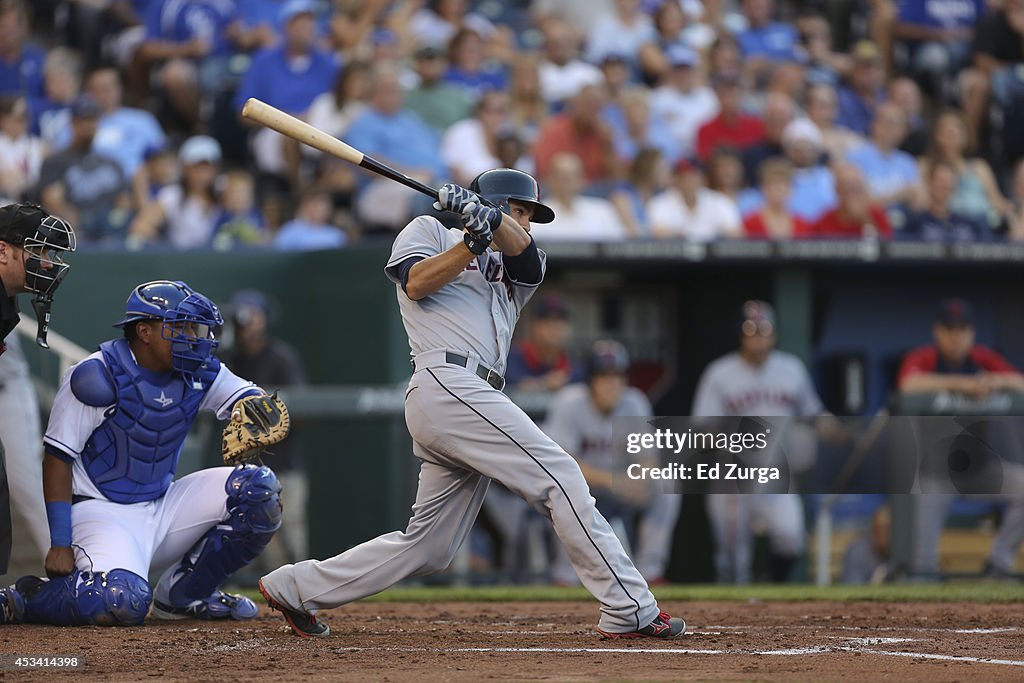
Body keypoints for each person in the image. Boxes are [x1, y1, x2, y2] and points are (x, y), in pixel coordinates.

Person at [258, 168, 685, 639]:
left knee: (429, 548)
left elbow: (524, 256)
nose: (525, 221)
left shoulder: (520, 263)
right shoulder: (428, 231)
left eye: (529, 214)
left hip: (475, 394)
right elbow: (416, 283)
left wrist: (492, 221)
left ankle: (294, 587)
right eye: (518, 210)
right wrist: (469, 243)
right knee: (560, 476)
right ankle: (629, 606)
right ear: (496, 201)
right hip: (444, 381)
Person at [0, 280, 284, 626]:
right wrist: (60, 543)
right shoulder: (96, 375)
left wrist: (255, 407)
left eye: (192, 327)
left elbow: (247, 397)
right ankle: (26, 598)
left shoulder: (199, 369)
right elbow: (58, 459)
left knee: (258, 491)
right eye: (179, 327)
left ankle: (183, 597)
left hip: (164, 503)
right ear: (145, 331)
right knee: (121, 600)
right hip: (102, 511)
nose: (192, 337)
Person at [692, 300, 827, 583]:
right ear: (741, 335)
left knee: (791, 537)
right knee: (732, 559)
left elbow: (814, 414)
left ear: (774, 333)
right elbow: (701, 430)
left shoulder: (791, 369)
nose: (758, 339)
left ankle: (772, 594)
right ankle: (733, 618)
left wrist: (846, 433)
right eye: (751, 331)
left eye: (764, 331)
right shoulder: (719, 373)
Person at [897, 298, 1024, 578]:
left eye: (962, 329)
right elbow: (908, 384)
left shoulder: (982, 358)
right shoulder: (925, 358)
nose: (956, 336)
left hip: (980, 471)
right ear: (937, 332)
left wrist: (995, 381)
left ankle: (998, 565)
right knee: (922, 567)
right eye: (949, 329)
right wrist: (964, 385)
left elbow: (1019, 382)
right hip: (935, 476)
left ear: (972, 333)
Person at [546, 340, 680, 585]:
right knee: (562, 487)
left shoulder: (634, 402)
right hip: (581, 488)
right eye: (604, 378)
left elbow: (649, 458)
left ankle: (649, 570)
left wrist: (639, 477)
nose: (612, 385)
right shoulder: (570, 402)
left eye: (618, 377)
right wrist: (612, 480)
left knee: (664, 483)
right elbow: (563, 463)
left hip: (620, 487)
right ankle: (565, 574)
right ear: (590, 381)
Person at [0, 203, 76, 579]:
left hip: (7, 386)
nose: (47, 262)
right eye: (39, 251)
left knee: (17, 477)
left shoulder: (6, 298)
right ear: (3, 251)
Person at [226, 290, 308, 568]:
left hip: (281, 465)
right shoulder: (230, 361)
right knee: (241, 543)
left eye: (253, 316)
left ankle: (294, 597)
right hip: (240, 469)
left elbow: (301, 413)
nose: (248, 324)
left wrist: (261, 421)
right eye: (243, 317)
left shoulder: (281, 359)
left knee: (285, 549)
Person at [648, 157, 743, 240]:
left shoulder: (719, 201)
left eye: (693, 176)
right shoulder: (659, 203)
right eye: (684, 176)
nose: (689, 180)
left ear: (702, 178)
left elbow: (736, 234)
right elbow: (658, 234)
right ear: (675, 178)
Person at [505, 293, 584, 392]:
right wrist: (543, 384)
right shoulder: (510, 358)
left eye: (561, 321)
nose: (556, 327)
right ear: (533, 326)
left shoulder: (574, 366)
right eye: (549, 321)